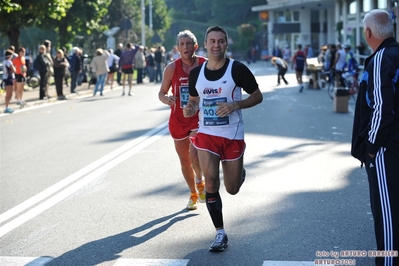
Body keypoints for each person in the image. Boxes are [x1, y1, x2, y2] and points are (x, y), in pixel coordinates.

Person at [183, 26, 263, 252]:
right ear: (206, 45)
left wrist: (236, 104)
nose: (216, 45)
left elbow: (258, 96)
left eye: (220, 41)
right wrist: (190, 108)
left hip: (232, 135)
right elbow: (194, 101)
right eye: (212, 41)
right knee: (211, 183)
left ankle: (239, 173)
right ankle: (220, 232)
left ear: (226, 44)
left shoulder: (237, 70)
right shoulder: (196, 74)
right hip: (207, 135)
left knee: (232, 188)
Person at [351, 9, 399, 266]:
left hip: (386, 149)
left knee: (387, 216)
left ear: (368, 33)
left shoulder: (381, 58)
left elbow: (381, 107)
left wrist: (370, 148)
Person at [158, 30, 207, 210]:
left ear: (195, 46)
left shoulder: (204, 64)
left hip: (198, 118)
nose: (185, 47)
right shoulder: (171, 68)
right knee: (185, 160)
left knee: (195, 154)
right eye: (182, 44)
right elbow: (161, 93)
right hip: (178, 119)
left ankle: (200, 181)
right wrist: (167, 99)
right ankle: (193, 193)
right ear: (177, 48)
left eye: (188, 44)